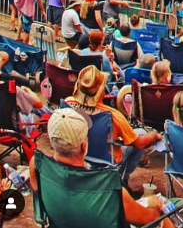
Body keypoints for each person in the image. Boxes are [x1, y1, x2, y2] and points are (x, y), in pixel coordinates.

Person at [28, 108, 174, 228]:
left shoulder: (37, 165)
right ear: (84, 146)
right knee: (163, 218)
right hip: (106, 212)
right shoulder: (109, 187)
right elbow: (151, 219)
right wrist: (155, 206)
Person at [65, 64, 163, 196]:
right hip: (106, 160)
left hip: (78, 155)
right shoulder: (111, 115)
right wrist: (154, 136)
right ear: (101, 91)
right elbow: (138, 143)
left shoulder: (68, 103)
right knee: (141, 133)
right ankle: (122, 179)